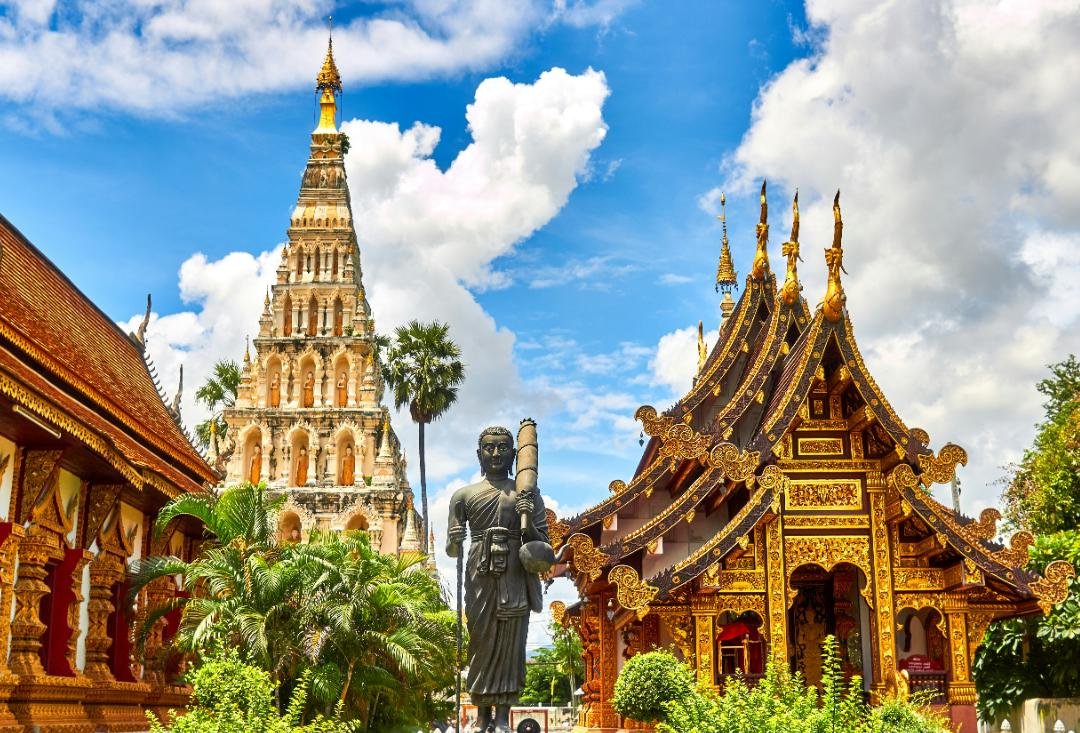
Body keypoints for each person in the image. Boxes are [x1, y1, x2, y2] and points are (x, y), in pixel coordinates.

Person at [447, 427, 550, 733]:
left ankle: (504, 717)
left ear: (513, 454)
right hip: (480, 574)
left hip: (515, 574)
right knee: (480, 643)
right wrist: (455, 539)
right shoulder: (463, 496)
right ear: (479, 454)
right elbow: (453, 550)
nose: (495, 454)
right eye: (489, 448)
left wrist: (527, 518)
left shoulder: (527, 496)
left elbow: (543, 547)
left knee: (510, 645)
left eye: (503, 448)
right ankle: (481, 717)